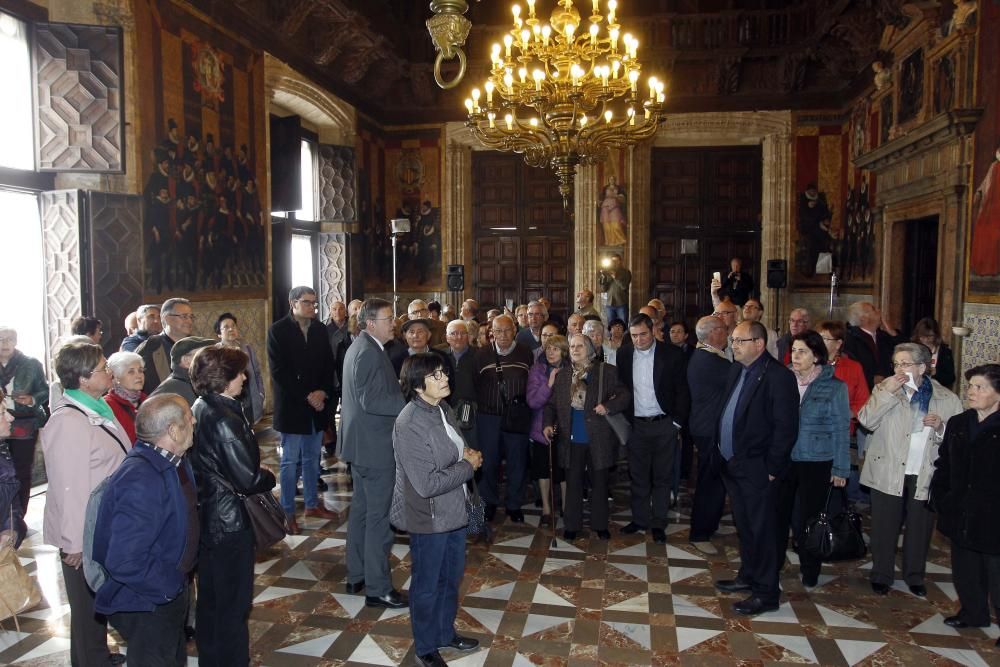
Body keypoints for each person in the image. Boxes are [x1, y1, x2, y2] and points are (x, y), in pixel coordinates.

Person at [41, 341, 130, 666]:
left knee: (93, 603)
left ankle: (91, 657)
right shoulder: (69, 421)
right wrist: (73, 543)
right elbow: (69, 487)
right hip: (81, 532)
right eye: (103, 368)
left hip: (100, 524)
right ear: (82, 378)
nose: (109, 372)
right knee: (86, 604)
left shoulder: (97, 408)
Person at [390, 354, 483, 667]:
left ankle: (445, 633)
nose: (445, 379)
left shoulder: (442, 407)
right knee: (427, 584)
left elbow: (452, 445)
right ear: (418, 385)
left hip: (455, 509)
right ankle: (426, 646)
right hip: (429, 515)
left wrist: (465, 451)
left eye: (444, 372)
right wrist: (466, 466)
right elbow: (426, 483)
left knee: (450, 577)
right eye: (436, 375)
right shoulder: (408, 423)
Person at [92, 394, 199, 665]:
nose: (194, 420)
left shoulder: (170, 461)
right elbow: (124, 558)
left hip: (164, 593)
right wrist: (168, 586)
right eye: (189, 417)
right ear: (173, 430)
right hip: (147, 602)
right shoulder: (142, 478)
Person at [189, 345, 276, 666]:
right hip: (228, 522)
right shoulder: (224, 418)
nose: (244, 377)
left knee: (211, 599)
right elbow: (248, 479)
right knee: (233, 604)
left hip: (208, 515)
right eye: (239, 372)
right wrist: (267, 476)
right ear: (223, 377)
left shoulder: (200, 406)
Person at [858, 342, 962, 596]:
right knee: (884, 524)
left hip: (924, 469)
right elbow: (865, 420)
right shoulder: (885, 388)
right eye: (896, 363)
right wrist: (888, 393)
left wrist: (941, 428)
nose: (899, 369)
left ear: (922, 367)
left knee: (921, 525)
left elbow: (957, 441)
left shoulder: (946, 398)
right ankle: (881, 573)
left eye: (905, 364)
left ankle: (914, 575)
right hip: (888, 465)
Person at [714, 321, 798, 616]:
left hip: (759, 468)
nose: (733, 345)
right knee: (746, 526)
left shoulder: (778, 377)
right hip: (734, 465)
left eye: (740, 341)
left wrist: (772, 469)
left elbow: (785, 428)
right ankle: (748, 576)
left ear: (759, 344)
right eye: (733, 340)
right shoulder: (737, 369)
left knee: (763, 530)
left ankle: (766, 592)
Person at [341, 298, 408, 609]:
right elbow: (372, 401)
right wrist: (409, 403)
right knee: (379, 520)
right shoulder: (368, 352)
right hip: (375, 448)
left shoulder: (360, 347)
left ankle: (356, 574)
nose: (392, 323)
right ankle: (379, 588)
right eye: (388, 318)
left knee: (362, 513)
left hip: (361, 445)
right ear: (370, 323)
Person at [774, 331, 851, 587]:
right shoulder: (782, 378)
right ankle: (772, 565)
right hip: (785, 458)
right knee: (778, 514)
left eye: (802, 351)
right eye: (794, 351)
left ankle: (810, 567)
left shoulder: (834, 386)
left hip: (816, 460)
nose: (795, 356)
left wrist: (841, 467)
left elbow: (841, 427)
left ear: (816, 356)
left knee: (809, 518)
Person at [931, 364, 1000, 636]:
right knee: (965, 568)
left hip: (993, 513)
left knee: (997, 574)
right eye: (970, 386)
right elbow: (944, 464)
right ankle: (973, 613)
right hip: (960, 509)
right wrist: (942, 496)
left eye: (980, 387)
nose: (971, 391)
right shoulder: (959, 423)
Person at [543, 334, 629, 541]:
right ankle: (572, 526)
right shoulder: (563, 375)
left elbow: (625, 395)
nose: (575, 349)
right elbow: (551, 405)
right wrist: (547, 424)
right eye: (572, 346)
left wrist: (608, 406)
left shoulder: (606, 371)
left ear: (590, 349)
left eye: (580, 346)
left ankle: (600, 525)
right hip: (571, 438)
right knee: (573, 484)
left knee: (599, 484)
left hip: (599, 438)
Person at [267, 286, 338, 533]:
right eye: (307, 303)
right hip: (293, 407)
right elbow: (280, 372)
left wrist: (323, 392)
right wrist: (308, 395)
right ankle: (287, 511)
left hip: (316, 405)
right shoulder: (278, 330)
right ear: (292, 303)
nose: (312, 308)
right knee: (290, 461)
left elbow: (328, 365)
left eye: (314, 303)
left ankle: (311, 504)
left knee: (312, 458)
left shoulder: (319, 329)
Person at [616, 313, 690, 543]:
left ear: (654, 330)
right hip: (637, 425)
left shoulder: (672, 354)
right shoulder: (624, 353)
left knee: (662, 476)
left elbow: (683, 391)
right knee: (637, 476)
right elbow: (622, 387)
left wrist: (676, 422)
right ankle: (639, 520)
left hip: (664, 424)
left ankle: (658, 521)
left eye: (643, 335)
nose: (639, 340)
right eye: (635, 336)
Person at [475, 314, 534, 523]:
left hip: (517, 417)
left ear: (515, 331)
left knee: (517, 462)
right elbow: (475, 385)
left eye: (507, 330)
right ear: (491, 332)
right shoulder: (481, 354)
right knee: (488, 463)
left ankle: (514, 505)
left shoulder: (526, 352)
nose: (502, 335)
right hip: (488, 417)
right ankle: (489, 502)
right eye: (498, 331)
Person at [687, 315, 731, 554]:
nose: (727, 333)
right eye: (724, 329)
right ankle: (700, 532)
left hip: (709, 427)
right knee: (709, 481)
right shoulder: (711, 361)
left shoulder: (708, 356)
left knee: (717, 479)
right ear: (712, 333)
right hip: (708, 428)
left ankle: (711, 523)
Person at [0, 326, 49, 518]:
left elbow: (44, 391)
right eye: (1, 339)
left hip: (24, 422)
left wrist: (32, 399)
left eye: (9, 339)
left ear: (16, 342)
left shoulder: (31, 364)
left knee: (21, 469)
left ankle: (19, 516)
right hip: (1, 421)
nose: (4, 344)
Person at [526, 334, 569, 525]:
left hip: (566, 429)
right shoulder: (537, 370)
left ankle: (567, 508)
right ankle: (546, 508)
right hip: (541, 428)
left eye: (556, 348)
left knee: (564, 471)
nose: (551, 352)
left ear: (564, 352)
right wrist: (549, 383)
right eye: (549, 348)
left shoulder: (571, 369)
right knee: (543, 470)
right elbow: (533, 402)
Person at [816, 320, 870, 435]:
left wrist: (849, 413)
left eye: (825, 339)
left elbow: (863, 399)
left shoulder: (853, 367)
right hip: (811, 429)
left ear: (838, 343)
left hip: (841, 431)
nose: (819, 342)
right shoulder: (810, 364)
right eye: (818, 338)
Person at [215, 312, 265, 424]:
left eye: (233, 326)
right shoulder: (216, 353)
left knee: (250, 431)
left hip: (249, 398)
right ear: (219, 333)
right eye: (226, 327)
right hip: (228, 401)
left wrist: (261, 393)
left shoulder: (247, 348)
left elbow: (256, 373)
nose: (231, 329)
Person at [137, 298, 196, 393]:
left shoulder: (197, 346)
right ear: (167, 318)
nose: (189, 321)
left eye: (191, 317)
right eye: (184, 316)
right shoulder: (150, 348)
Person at [437, 319, 479, 449]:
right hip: (443, 411)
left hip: (470, 412)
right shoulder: (439, 355)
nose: (459, 337)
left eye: (463, 333)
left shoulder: (479, 355)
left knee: (469, 449)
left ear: (469, 336)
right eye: (454, 333)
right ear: (447, 337)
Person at [843, 301, 903, 390]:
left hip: (889, 388)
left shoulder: (884, 336)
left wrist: (892, 333)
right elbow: (850, 367)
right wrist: (870, 379)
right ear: (863, 318)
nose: (879, 311)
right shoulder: (850, 339)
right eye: (874, 309)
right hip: (863, 390)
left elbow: (907, 350)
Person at [150, 337, 217, 406]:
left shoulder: (194, 383)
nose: (214, 361)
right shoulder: (169, 393)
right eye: (206, 356)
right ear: (186, 361)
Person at [0, 386, 27, 550]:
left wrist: (11, 531)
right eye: (2, 413)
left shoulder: (3, 455)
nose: (10, 418)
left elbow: (12, 507)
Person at [104, 351, 147, 446]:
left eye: (140, 370)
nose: (139, 375)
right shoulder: (107, 406)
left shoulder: (147, 400)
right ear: (116, 378)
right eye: (131, 372)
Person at [911, 317, 955, 389]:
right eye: (923, 336)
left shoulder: (945, 352)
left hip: (937, 391)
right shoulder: (912, 349)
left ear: (936, 335)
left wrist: (936, 373)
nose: (926, 339)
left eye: (930, 336)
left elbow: (951, 378)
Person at [598, 254, 631, 324]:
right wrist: (603, 277)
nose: (614, 262)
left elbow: (624, 286)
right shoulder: (607, 272)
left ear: (620, 261)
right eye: (612, 261)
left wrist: (615, 277)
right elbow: (604, 289)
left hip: (621, 303)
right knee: (611, 325)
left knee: (623, 325)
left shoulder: (626, 272)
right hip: (609, 304)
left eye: (616, 261)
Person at [599, 176, 627, 246]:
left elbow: (623, 198)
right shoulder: (605, 188)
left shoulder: (619, 188)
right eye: (610, 179)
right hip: (605, 207)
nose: (612, 180)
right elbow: (601, 197)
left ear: (615, 180)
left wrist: (618, 196)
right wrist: (599, 201)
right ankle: (609, 241)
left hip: (615, 206)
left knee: (616, 224)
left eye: (613, 179)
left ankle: (619, 240)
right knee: (606, 225)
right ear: (608, 180)